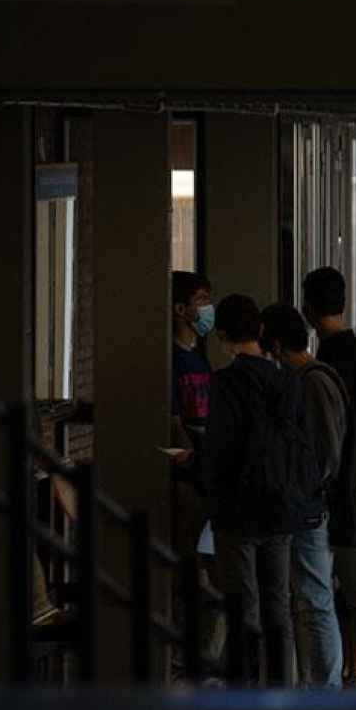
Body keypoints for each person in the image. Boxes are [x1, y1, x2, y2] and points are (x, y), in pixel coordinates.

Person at [205, 295, 342, 687]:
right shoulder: (287, 382)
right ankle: (281, 684)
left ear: (223, 336)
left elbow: (220, 449)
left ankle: (246, 686)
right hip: (281, 508)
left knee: (244, 606)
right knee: (278, 606)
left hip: (237, 510)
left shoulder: (225, 383)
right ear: (260, 332)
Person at [301, 267, 356, 684]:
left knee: (352, 581)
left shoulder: (331, 358)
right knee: (351, 582)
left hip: (341, 484)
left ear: (308, 309)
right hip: (355, 474)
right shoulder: (355, 351)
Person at [257, 302, 349, 687]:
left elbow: (328, 449)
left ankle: (325, 686)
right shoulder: (311, 379)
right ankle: (315, 682)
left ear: (276, 345)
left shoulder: (313, 382)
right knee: (308, 599)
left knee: (314, 598)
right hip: (306, 502)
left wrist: (306, 488)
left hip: (308, 506)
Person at [168, 271, 224, 677]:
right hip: (189, 476)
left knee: (212, 567)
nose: (207, 309)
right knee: (191, 564)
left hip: (209, 473)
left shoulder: (200, 356)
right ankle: (185, 649)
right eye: (201, 300)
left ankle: (205, 650)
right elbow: (175, 420)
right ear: (180, 309)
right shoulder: (171, 360)